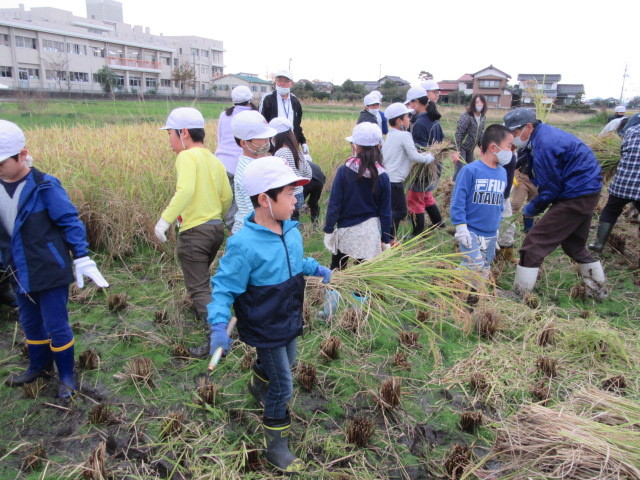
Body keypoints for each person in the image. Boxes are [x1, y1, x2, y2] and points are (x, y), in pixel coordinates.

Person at [206, 156, 331, 472]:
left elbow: (294, 261)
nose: (296, 200)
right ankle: (276, 447)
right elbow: (223, 288)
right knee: (284, 385)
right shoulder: (244, 245)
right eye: (289, 194)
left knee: (287, 363)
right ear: (264, 199)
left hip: (289, 315)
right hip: (265, 323)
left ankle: (257, 386)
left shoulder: (291, 230)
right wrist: (219, 325)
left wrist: (313, 267)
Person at [0, 120, 108, 399]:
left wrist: (81, 256)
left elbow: (70, 221)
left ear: (22, 155)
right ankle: (38, 366)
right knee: (30, 321)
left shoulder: (44, 186)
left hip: (49, 268)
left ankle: (67, 376)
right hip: (17, 268)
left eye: (1, 163)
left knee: (55, 324)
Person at [503, 108, 606, 299]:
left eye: (516, 133)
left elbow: (551, 189)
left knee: (533, 244)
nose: (514, 137)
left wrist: (532, 208)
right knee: (574, 246)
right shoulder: (541, 136)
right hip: (585, 191)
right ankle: (598, 290)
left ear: (528, 126)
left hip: (576, 195)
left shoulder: (545, 143)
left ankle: (519, 294)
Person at [154, 107, 232, 357]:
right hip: (215, 229)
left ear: (184, 132)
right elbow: (226, 196)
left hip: (194, 232)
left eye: (170, 134)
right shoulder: (214, 159)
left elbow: (184, 191)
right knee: (202, 280)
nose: (169, 141)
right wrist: (214, 217)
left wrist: (163, 221)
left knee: (198, 287)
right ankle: (213, 315)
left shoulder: (186, 157)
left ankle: (217, 337)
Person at [324, 123, 392, 270]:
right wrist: (386, 239)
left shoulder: (344, 171)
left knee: (337, 269)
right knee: (364, 275)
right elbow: (385, 212)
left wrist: (329, 229)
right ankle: (360, 294)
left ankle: (334, 293)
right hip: (369, 234)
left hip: (345, 231)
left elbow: (334, 204)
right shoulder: (383, 176)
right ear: (379, 147)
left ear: (356, 146)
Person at [451, 124, 511, 278]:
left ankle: (474, 297)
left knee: (484, 267)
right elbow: (458, 201)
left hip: (490, 231)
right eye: (509, 146)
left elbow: (498, 204)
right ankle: (450, 284)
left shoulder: (503, 173)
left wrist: (496, 226)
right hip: (471, 230)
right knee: (474, 264)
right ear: (493, 147)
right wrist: (461, 227)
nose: (510, 151)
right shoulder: (470, 171)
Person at [381, 102, 435, 239]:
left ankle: (388, 238)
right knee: (400, 211)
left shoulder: (390, 135)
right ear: (400, 121)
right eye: (407, 117)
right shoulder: (404, 135)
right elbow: (415, 156)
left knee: (392, 210)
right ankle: (389, 238)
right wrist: (430, 157)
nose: (409, 119)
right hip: (395, 181)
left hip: (387, 178)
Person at [588, 123, 640, 252]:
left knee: (611, 210)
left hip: (623, 182)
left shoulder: (633, 130)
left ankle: (599, 244)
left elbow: (623, 152)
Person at [405, 82, 446, 235]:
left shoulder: (420, 122)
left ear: (416, 102)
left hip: (423, 169)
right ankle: (438, 223)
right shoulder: (432, 119)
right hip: (434, 168)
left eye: (410, 103)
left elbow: (419, 150)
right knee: (426, 196)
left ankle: (417, 233)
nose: (408, 106)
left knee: (415, 200)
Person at [215, 85, 258, 231]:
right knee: (241, 205)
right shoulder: (255, 115)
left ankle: (229, 230)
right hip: (242, 166)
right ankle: (237, 235)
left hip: (222, 164)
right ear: (250, 99)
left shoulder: (224, 115)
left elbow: (220, 140)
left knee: (226, 203)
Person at [231, 110, 277, 234]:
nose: (267, 142)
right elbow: (253, 210)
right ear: (244, 143)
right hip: (250, 230)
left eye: (268, 138)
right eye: (262, 139)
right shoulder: (249, 170)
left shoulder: (256, 163)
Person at [268, 118, 312, 220]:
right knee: (293, 222)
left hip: (287, 197)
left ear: (276, 137)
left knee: (283, 223)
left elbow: (277, 179)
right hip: (299, 196)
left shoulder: (280, 153)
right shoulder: (296, 151)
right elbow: (308, 173)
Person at [259, 70, 308, 154]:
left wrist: (303, 142)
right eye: (279, 80)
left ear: (291, 83)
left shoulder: (295, 101)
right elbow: (261, 123)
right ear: (275, 82)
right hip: (274, 146)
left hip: (292, 145)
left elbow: (297, 126)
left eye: (285, 81)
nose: (282, 83)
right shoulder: (268, 99)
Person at [453, 94, 487, 182]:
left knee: (469, 169)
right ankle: (453, 188)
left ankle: (466, 189)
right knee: (460, 170)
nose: (479, 104)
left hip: (471, 149)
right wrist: (456, 150)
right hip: (462, 148)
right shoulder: (467, 116)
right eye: (477, 102)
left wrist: (481, 146)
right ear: (473, 104)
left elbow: (480, 132)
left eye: (481, 102)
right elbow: (459, 133)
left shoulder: (483, 117)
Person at [302, 155, 326, 223]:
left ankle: (294, 222)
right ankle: (315, 222)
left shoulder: (302, 163)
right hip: (319, 182)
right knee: (314, 202)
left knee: (297, 202)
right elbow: (324, 177)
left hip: (308, 181)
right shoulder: (316, 165)